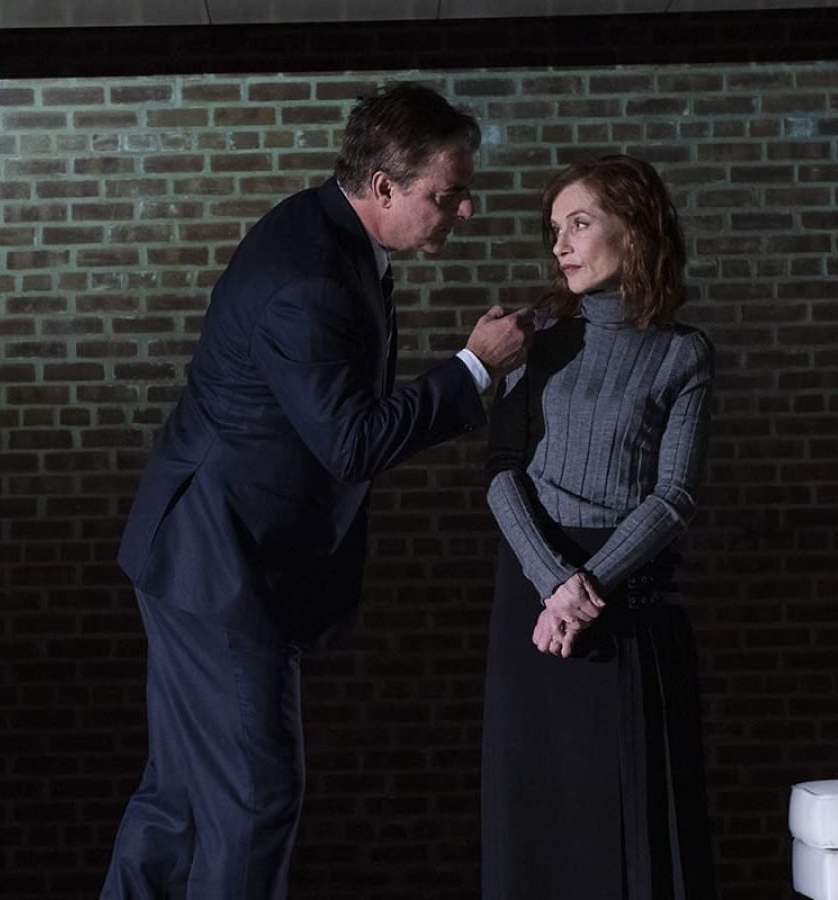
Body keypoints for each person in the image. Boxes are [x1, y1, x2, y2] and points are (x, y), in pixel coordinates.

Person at [103, 82, 534, 900]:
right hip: (220, 565)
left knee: (182, 799)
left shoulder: (331, 238)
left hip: (207, 547)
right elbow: (351, 441)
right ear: (384, 188)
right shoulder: (310, 277)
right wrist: (475, 367)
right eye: (448, 194)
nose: (466, 210)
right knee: (254, 797)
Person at [480, 154, 718, 899]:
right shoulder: (536, 340)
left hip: (623, 598)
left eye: (579, 224)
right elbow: (500, 472)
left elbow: (673, 495)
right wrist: (556, 583)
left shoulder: (682, 352)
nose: (561, 244)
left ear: (635, 229)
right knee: (536, 807)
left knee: (624, 810)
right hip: (534, 591)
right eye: (555, 229)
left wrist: (589, 584)